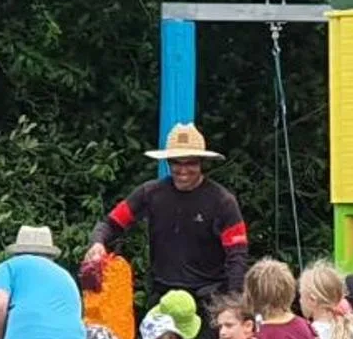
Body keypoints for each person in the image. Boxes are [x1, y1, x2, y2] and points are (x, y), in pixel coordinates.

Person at [84, 123, 250, 301]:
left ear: (201, 163)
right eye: (176, 163)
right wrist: (98, 243)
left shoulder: (222, 201)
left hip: (208, 298)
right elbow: (111, 223)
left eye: (191, 163)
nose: (183, 170)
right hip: (163, 295)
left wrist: (234, 303)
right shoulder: (150, 193)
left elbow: (237, 256)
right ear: (168, 162)